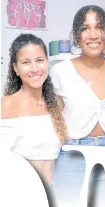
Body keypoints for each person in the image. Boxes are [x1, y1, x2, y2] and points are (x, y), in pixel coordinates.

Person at [49, 5, 105, 207]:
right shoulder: (59, 72)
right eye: (85, 28)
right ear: (76, 35)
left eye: (99, 27)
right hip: (73, 155)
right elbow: (50, 119)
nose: (92, 35)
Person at [1, 33, 68, 207]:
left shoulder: (56, 104)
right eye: (26, 63)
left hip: (53, 193)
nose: (35, 68)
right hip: (21, 193)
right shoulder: (8, 105)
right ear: (15, 68)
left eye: (39, 60)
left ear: (47, 62)